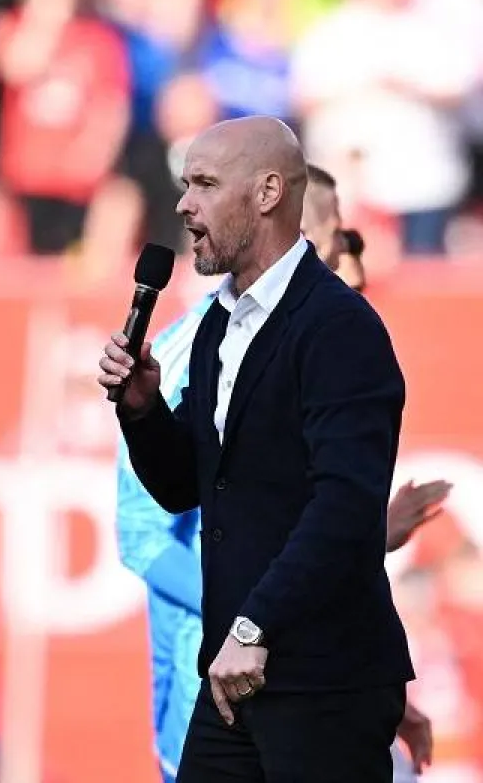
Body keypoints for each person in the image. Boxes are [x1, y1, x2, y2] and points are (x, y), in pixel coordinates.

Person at [99, 116, 413, 781]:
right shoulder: (219, 322)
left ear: (268, 192)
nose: (184, 204)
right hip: (234, 679)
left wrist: (255, 625)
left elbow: (344, 504)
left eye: (205, 184)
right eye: (186, 185)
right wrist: (144, 410)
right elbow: (189, 484)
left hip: (324, 681)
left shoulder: (339, 328)